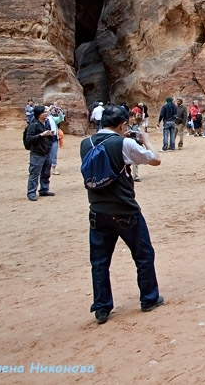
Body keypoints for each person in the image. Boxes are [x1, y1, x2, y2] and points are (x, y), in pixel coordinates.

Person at [80, 105, 163, 325]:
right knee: (143, 255)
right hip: (125, 210)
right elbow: (155, 159)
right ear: (121, 124)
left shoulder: (85, 144)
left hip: (97, 210)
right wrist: (144, 139)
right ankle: (149, 299)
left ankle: (101, 307)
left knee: (99, 262)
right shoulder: (124, 143)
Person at [24, 105, 56, 200]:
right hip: (37, 153)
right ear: (39, 114)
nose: (46, 113)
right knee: (34, 173)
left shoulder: (46, 123)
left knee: (46, 173)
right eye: (44, 112)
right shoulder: (33, 125)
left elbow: (48, 138)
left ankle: (44, 189)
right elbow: (29, 138)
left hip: (46, 152)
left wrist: (50, 135)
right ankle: (31, 193)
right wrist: (41, 135)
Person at [46, 106, 64, 174]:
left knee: (54, 153)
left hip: (54, 138)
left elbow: (61, 118)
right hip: (45, 139)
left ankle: (53, 168)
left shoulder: (52, 118)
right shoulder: (42, 119)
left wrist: (59, 112)